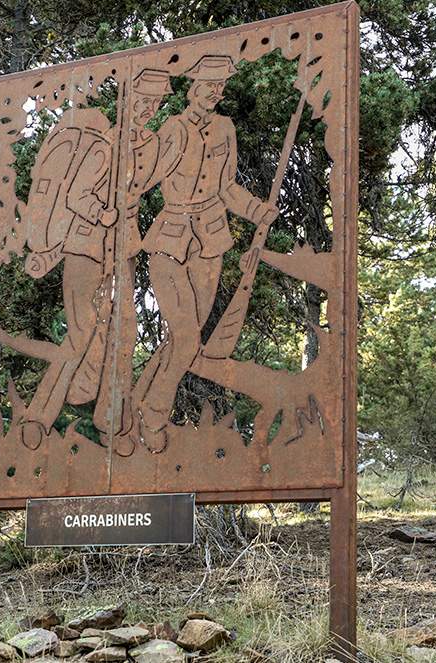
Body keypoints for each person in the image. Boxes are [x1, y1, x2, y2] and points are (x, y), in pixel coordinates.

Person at [21, 69, 171, 449]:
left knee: (125, 328)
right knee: (83, 328)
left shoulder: (150, 145)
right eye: (141, 102)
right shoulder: (105, 145)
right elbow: (76, 196)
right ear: (127, 103)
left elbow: (146, 184)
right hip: (86, 244)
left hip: (123, 249)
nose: (147, 110)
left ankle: (113, 424)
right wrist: (103, 214)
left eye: (154, 105)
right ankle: (38, 417)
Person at [136, 55, 278, 452]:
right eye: (207, 86)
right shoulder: (173, 128)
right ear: (192, 87)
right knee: (184, 339)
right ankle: (153, 416)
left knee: (185, 340)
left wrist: (256, 211)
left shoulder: (224, 129)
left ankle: (140, 399)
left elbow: (228, 187)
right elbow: (143, 180)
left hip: (211, 243)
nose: (214, 94)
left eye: (220, 88)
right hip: (169, 240)